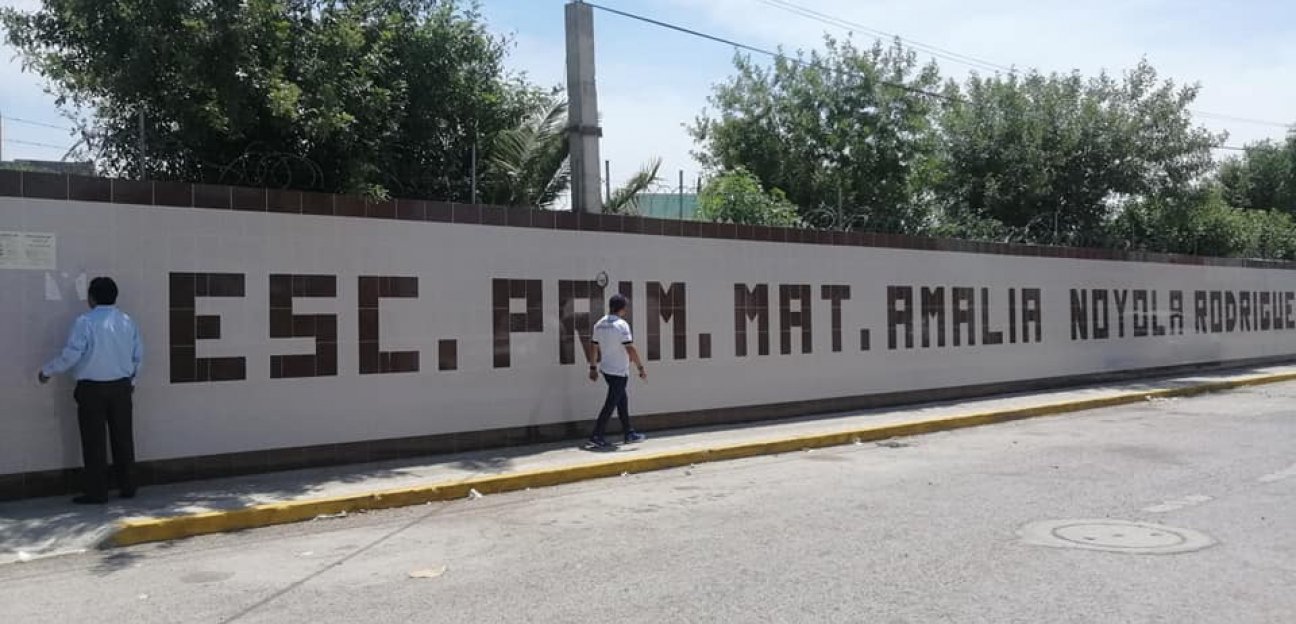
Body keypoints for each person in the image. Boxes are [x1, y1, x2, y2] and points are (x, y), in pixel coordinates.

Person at [38, 276, 143, 504]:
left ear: (92, 298)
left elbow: (73, 354)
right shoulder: (127, 321)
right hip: (122, 387)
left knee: (94, 440)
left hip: (92, 389)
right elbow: (138, 356)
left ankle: (97, 491)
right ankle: (128, 485)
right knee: (123, 438)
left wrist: (48, 370)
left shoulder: (84, 322)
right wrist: (131, 382)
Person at [586, 293, 647, 449]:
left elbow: (593, 346)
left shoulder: (599, 324)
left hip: (606, 370)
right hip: (619, 371)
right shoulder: (622, 325)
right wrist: (640, 367)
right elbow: (630, 348)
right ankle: (596, 435)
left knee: (621, 401)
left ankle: (629, 433)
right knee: (611, 404)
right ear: (623, 308)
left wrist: (593, 367)